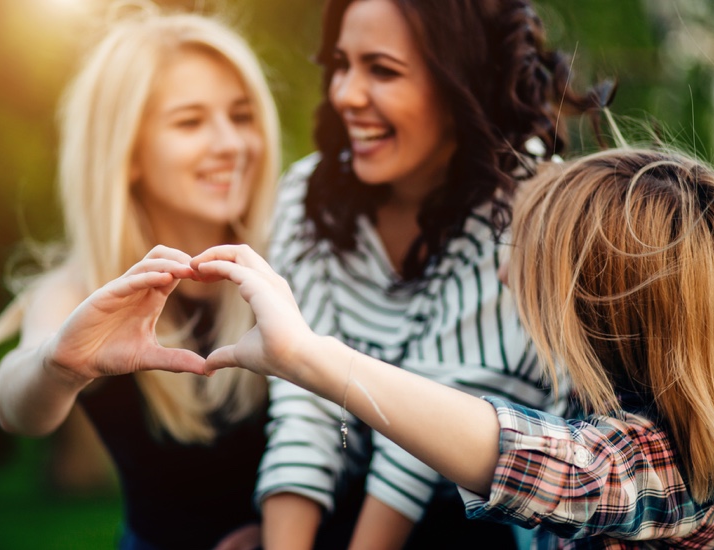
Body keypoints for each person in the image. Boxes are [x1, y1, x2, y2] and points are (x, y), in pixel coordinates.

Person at [190, 146, 714, 548]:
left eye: (532, 259)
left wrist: (308, 357)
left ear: (598, 308)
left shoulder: (676, 466)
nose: (506, 274)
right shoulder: (578, 398)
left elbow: (569, 469)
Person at [255, 0, 610, 547]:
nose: (346, 94)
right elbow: (303, 401)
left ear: (461, 81)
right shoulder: (307, 194)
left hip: (491, 524)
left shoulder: (528, 208)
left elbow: (422, 441)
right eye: (342, 64)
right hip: (346, 504)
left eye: (383, 70)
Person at [0, 3, 280, 549]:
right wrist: (59, 365)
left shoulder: (287, 261)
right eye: (190, 121)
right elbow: (16, 403)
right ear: (127, 152)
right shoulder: (79, 289)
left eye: (241, 115)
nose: (230, 143)